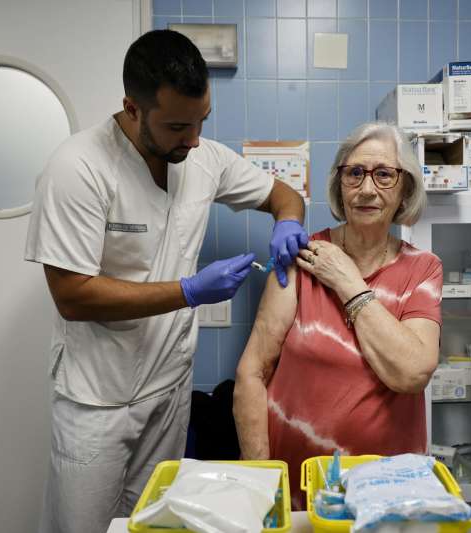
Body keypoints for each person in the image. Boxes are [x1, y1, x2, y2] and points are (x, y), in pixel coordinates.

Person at [24, 29, 307, 533]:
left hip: (169, 392)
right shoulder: (79, 168)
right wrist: (189, 291)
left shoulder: (204, 158)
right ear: (132, 109)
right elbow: (72, 295)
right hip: (98, 399)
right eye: (178, 125)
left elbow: (285, 195)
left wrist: (287, 221)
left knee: (155, 524)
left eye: (202, 121)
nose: (194, 139)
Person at [233, 122, 443, 509]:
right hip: (296, 483)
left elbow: (412, 373)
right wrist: (260, 478)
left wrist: (348, 282)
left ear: (405, 190)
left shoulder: (423, 269)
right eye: (355, 173)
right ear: (339, 183)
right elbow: (252, 372)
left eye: (383, 175)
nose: (366, 189)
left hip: (387, 488)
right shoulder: (303, 256)